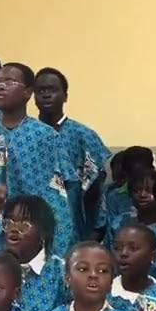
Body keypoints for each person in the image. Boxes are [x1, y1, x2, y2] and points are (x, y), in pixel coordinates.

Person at [0, 63, 79, 264]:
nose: (0, 87)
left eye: (9, 82)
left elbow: (65, 188)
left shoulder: (45, 136)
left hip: (34, 236)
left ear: (28, 92)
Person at [33, 67, 111, 237]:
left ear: (65, 95)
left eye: (52, 90)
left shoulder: (84, 136)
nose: (46, 95)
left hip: (75, 226)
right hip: (33, 225)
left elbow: (96, 189)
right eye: (40, 90)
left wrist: (96, 231)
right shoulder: (25, 135)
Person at [2, 195, 69, 311]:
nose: (14, 229)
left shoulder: (62, 272)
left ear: (43, 232)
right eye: (9, 223)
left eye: (24, 225)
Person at [109, 222, 156, 311]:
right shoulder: (103, 294)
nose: (123, 253)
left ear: (153, 256)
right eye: (117, 248)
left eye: (133, 248)